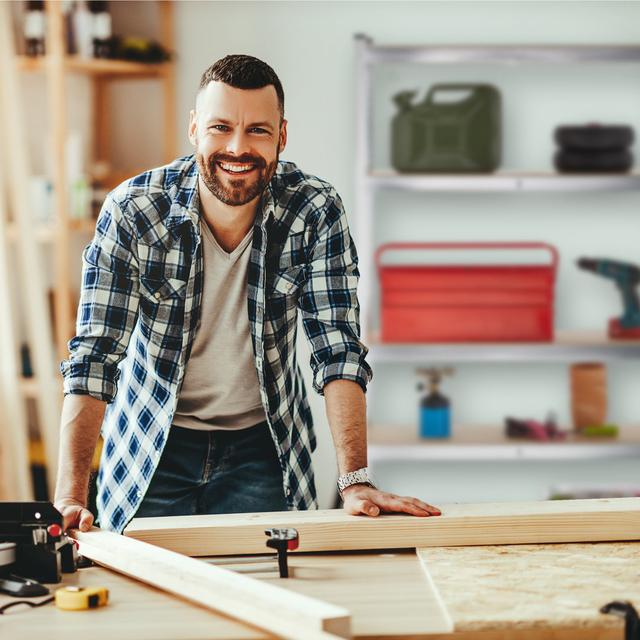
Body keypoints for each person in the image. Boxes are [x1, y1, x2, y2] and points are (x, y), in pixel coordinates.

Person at [55, 55, 441, 533]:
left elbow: (337, 349)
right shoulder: (133, 211)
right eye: (221, 127)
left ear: (281, 136)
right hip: (151, 442)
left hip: (264, 446)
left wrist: (355, 481)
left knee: (270, 585)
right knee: (146, 589)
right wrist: (70, 496)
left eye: (257, 130)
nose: (238, 147)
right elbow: (94, 356)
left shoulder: (314, 210)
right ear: (195, 129)